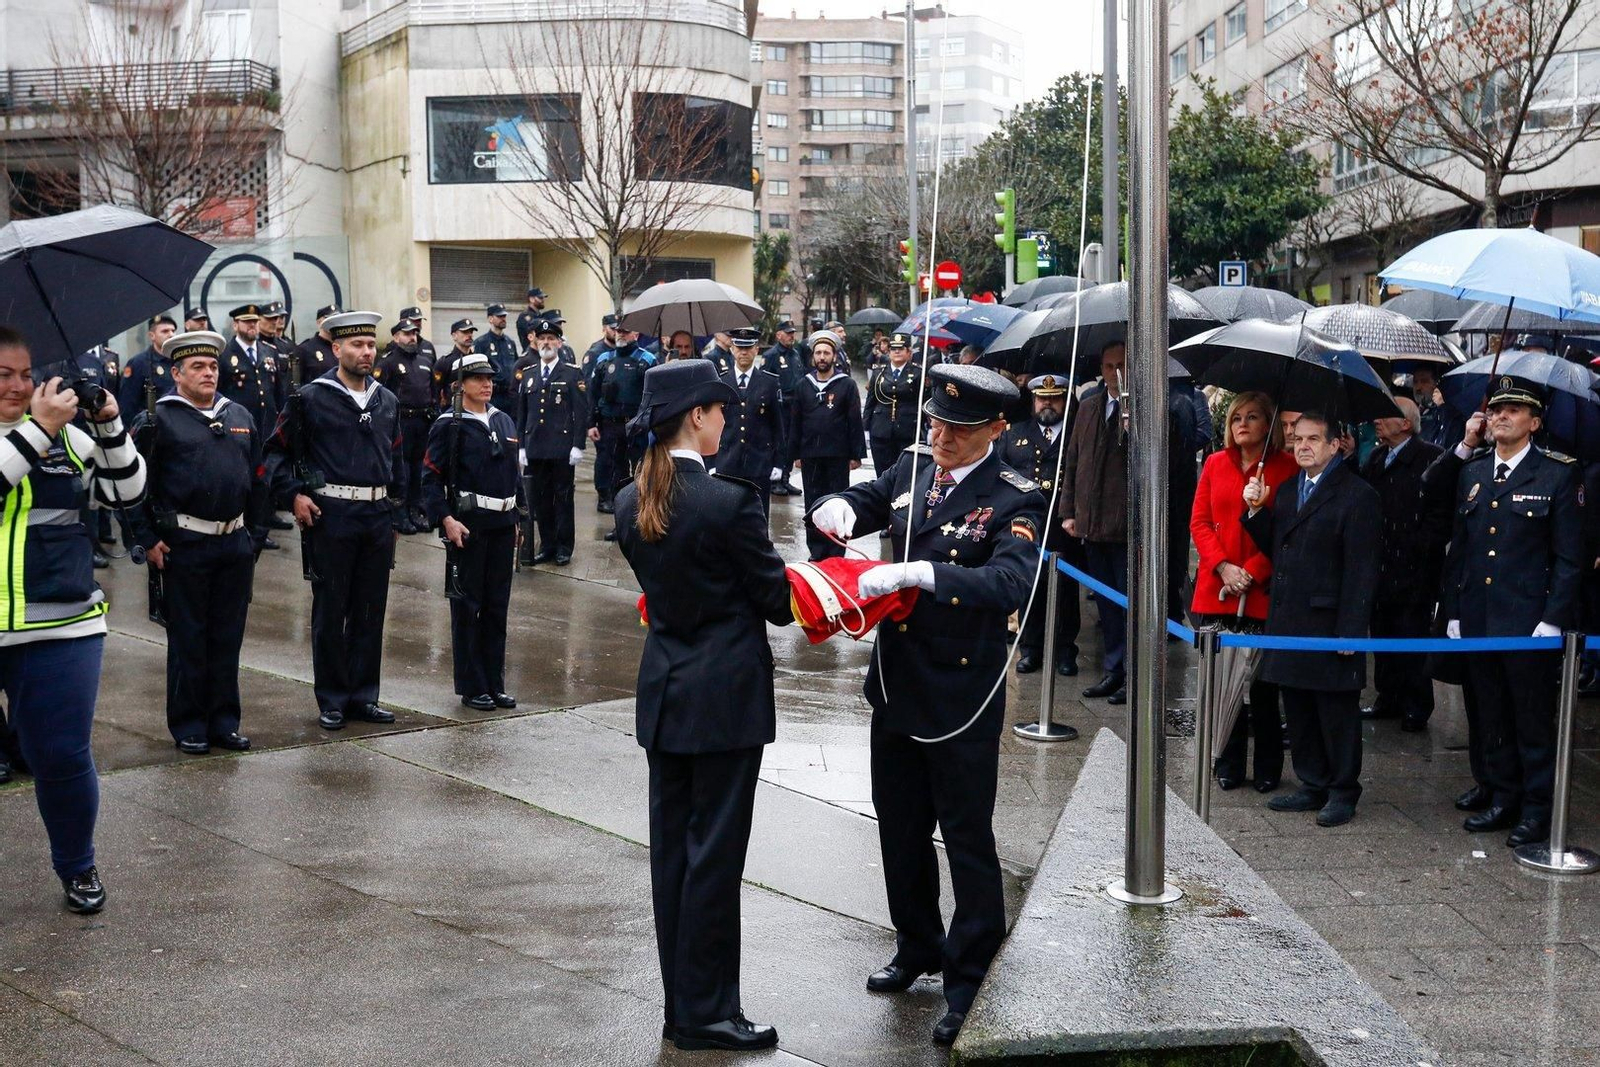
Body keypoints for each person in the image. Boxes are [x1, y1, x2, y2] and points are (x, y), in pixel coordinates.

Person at [809, 362, 1043, 1047]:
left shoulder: (1016, 496)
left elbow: (1009, 580)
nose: (941, 435)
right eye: (937, 421)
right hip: (897, 680)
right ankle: (917, 941)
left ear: (996, 429)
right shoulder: (917, 465)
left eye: (959, 428)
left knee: (967, 836)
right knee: (899, 824)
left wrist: (924, 572)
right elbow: (877, 494)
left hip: (961, 689)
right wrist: (845, 505)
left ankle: (971, 972)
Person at [613, 360, 792, 1053]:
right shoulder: (728, 502)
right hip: (724, 701)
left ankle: (682, 1004)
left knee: (675, 860)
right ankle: (709, 1012)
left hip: (667, 692)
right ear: (696, 415)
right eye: (721, 409)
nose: (726, 420)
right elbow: (776, 600)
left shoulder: (634, 499)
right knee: (714, 859)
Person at [0, 325, 146, 913]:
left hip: (60, 624)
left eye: (25, 373)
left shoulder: (68, 438)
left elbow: (127, 495)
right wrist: (38, 430)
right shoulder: (43, 432)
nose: (18, 385)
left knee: (60, 754)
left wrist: (109, 423)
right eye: (2, 375)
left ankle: (77, 866)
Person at [1441, 377, 1582, 847]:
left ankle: (1537, 807)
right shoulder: (1473, 472)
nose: (1501, 415)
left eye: (1514, 410)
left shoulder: (1557, 474)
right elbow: (1460, 547)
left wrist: (1554, 617)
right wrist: (1456, 609)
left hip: (1529, 621)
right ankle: (1502, 794)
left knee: (1532, 718)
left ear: (1535, 423)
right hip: (1480, 616)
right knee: (1489, 712)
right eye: (1497, 408)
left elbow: (1569, 557)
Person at [263, 312, 403, 732]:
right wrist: (294, 494)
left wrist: (396, 507)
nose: (365, 352)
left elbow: (397, 460)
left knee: (369, 610)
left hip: (376, 517)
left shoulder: (386, 401)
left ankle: (364, 696)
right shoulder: (310, 398)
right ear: (336, 349)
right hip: (332, 516)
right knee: (331, 610)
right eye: (356, 345)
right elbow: (273, 455)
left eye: (370, 344)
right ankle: (333, 698)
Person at [1242, 411, 1381, 828]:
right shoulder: (1286, 491)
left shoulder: (1358, 495)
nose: (1302, 446)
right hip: (1290, 617)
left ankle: (1342, 789)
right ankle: (1312, 782)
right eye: (1297, 438)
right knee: (1298, 705)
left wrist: (1351, 629)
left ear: (1335, 444)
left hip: (1330, 620)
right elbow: (1279, 546)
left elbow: (1363, 568)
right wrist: (1255, 510)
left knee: (1334, 709)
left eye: (1313, 439)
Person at [130, 331, 264, 756]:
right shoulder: (157, 420)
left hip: (233, 544)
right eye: (197, 367)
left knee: (227, 638)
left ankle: (224, 723)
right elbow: (130, 488)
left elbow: (258, 480)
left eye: (212, 366)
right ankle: (190, 725)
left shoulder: (239, 413)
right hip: (184, 544)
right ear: (176, 373)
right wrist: (147, 538)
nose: (208, 373)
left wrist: (254, 536)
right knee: (189, 639)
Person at [1190, 391, 1297, 792]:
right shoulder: (1216, 464)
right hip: (1217, 588)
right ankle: (1227, 761)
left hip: (1261, 589)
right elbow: (1199, 521)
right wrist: (1223, 566)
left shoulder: (1286, 468)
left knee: (1262, 686)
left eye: (1253, 417)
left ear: (1268, 425)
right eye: (1237, 417)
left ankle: (1269, 765)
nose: (1242, 424)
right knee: (1222, 682)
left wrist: (1250, 573)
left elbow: (1286, 532)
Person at [423, 353, 522, 711]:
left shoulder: (505, 421)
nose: (486, 384)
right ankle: (471, 685)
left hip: (502, 525)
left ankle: (494, 683)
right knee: (468, 607)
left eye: (490, 378)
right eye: (478, 378)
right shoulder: (450, 425)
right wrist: (446, 520)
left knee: (497, 609)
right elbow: (430, 478)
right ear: (460, 384)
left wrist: (520, 517)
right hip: (469, 525)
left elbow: (513, 474)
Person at [1358, 396, 1444, 732]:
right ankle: (1387, 696)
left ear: (1406, 423)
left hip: (1414, 569)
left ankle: (1415, 705)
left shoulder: (1431, 458)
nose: (1377, 419)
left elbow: (1439, 516)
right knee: (1382, 634)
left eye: (1386, 414)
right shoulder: (1377, 456)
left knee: (1411, 637)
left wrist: (1415, 546)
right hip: (1381, 566)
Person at [1059, 343, 1130, 705]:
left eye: (1121, 365)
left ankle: (1132, 673)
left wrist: (1130, 424)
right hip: (1091, 522)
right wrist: (1069, 511)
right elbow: (1073, 462)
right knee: (1105, 603)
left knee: (1127, 601)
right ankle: (1113, 669)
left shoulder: (1142, 409)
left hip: (1124, 525)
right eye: (1108, 365)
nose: (1114, 372)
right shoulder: (1088, 406)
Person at [1000, 374, 1083, 676]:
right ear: (1033, 400)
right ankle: (1031, 649)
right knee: (1030, 589)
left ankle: (1064, 650)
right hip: (1027, 525)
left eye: (1055, 397)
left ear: (1064, 400)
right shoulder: (1014, 434)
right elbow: (1002, 477)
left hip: (1064, 525)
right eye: (1042, 398)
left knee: (1065, 591)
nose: (1047, 403)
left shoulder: (1076, 433)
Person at [788, 331, 864, 560]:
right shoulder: (803, 385)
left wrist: (856, 454)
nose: (822, 357)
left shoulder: (847, 385)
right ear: (813, 357)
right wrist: (795, 454)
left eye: (826, 353)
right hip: (811, 455)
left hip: (838, 456)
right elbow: (795, 422)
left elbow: (854, 421)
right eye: (818, 353)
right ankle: (817, 551)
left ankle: (836, 551)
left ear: (835, 356)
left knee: (837, 502)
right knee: (812, 504)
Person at [519, 317, 588, 565]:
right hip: (536, 449)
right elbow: (522, 413)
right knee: (540, 501)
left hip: (561, 449)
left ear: (559, 343)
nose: (546, 343)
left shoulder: (571, 373)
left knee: (563, 499)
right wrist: (521, 447)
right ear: (536, 343)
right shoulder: (528, 375)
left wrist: (578, 445)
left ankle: (563, 547)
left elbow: (581, 412)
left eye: (551, 339)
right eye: (542, 339)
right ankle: (547, 545)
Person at [220, 304, 285, 550]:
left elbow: (277, 390)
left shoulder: (269, 351)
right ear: (236, 325)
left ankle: (261, 528)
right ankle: (241, 526)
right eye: (247, 322)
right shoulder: (226, 353)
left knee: (264, 480)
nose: (252, 326)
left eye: (255, 322)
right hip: (237, 430)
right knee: (241, 480)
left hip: (266, 427)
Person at [373, 319, 437, 534]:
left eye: (415, 333)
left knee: (419, 468)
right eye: (407, 333)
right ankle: (399, 514)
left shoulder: (425, 361)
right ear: (396, 337)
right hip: (401, 421)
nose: (412, 337)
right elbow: (377, 394)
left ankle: (416, 510)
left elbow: (432, 390)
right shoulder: (388, 362)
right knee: (402, 469)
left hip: (422, 421)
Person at [713, 327, 784, 516]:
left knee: (759, 516)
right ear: (732, 349)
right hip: (728, 462)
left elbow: (777, 426)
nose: (743, 352)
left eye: (748, 347)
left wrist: (779, 463)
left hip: (759, 462)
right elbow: (713, 426)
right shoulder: (721, 382)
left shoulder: (769, 383)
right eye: (739, 347)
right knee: (728, 517)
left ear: (756, 349)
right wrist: (712, 461)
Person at [589, 327, 652, 519]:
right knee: (616, 473)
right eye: (618, 331)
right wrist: (591, 423)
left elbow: (653, 395)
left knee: (641, 472)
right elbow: (593, 394)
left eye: (625, 331)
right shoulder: (604, 359)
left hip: (637, 426)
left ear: (636, 334)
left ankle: (641, 517)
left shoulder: (646, 360)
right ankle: (621, 520)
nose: (620, 334)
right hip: (611, 425)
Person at [863, 332, 925, 474]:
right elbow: (870, 401)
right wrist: (866, 427)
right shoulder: (879, 372)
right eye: (893, 348)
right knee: (883, 471)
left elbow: (922, 401)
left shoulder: (918, 372)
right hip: (881, 429)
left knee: (905, 472)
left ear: (909, 352)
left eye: (901, 348)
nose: (896, 351)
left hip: (908, 429)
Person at [761, 322, 807, 497]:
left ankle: (786, 478)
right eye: (788, 333)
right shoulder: (771, 355)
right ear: (778, 335)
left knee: (791, 443)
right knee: (779, 442)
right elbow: (764, 381)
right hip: (780, 405)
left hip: (795, 404)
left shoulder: (795, 354)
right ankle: (775, 481)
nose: (791, 336)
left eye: (793, 333)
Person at [117, 314, 178, 415]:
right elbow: (127, 404)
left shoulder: (179, 361)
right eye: (165, 331)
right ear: (151, 336)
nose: (171, 335)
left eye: (173, 330)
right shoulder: (138, 363)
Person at [474, 303, 520, 414]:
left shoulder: (510, 342)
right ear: (490, 319)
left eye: (504, 316)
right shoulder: (481, 343)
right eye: (499, 316)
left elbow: (516, 366)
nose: (503, 319)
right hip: (492, 395)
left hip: (510, 395)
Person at [1413, 366, 1465, 451]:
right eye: (1415, 382)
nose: (1418, 387)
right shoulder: (1412, 412)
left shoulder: (1452, 413)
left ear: (1437, 384)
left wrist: (1443, 407)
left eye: (1424, 381)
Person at [433, 319, 478, 408]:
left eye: (471, 332)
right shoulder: (445, 362)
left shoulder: (476, 359)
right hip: (452, 411)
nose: (469, 335)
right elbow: (435, 389)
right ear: (454, 336)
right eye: (465, 332)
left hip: (474, 408)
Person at [293, 305, 341, 380]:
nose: (334, 323)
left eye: (337, 319)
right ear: (319, 322)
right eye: (329, 319)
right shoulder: (305, 349)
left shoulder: (343, 347)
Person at [515, 287, 550, 352]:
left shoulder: (540, 316)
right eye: (540, 298)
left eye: (543, 298)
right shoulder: (524, 317)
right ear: (531, 299)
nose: (543, 300)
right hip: (531, 353)